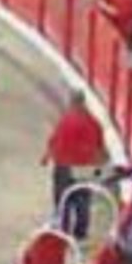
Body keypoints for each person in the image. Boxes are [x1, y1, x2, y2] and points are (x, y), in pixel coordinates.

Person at [41, 91, 107, 239]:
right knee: (82, 201)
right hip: (84, 167)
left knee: (63, 199)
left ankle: (63, 231)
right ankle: (80, 233)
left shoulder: (66, 120)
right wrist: (99, 163)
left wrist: (47, 156)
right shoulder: (93, 122)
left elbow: (55, 139)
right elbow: (100, 145)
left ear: (73, 103)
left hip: (65, 166)